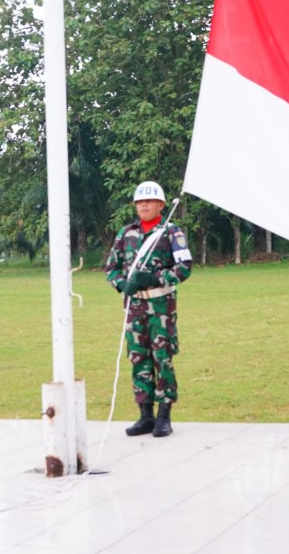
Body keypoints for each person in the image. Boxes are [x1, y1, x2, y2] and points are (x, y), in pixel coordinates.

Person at [105, 181, 192, 438]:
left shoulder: (171, 232)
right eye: (139, 202)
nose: (143, 205)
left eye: (149, 201)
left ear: (161, 205)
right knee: (138, 358)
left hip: (161, 307)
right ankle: (145, 415)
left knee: (162, 358)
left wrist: (157, 278)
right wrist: (124, 285)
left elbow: (185, 266)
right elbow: (111, 268)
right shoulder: (126, 233)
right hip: (135, 307)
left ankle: (164, 416)